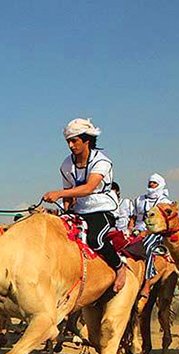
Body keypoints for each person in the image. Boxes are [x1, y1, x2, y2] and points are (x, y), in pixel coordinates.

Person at [43, 117, 127, 292]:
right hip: (79, 209)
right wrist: (66, 212)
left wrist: (58, 194)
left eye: (74, 141)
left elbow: (88, 188)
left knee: (95, 239)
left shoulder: (102, 161)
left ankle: (120, 267)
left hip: (102, 208)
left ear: (86, 140)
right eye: (68, 141)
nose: (71, 145)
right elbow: (69, 194)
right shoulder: (66, 164)